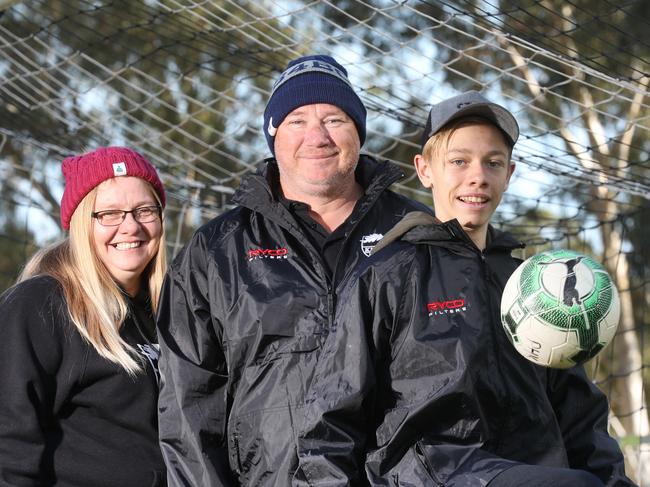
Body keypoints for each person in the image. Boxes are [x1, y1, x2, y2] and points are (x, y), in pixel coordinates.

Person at [310, 91, 636, 485]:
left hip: (537, 472)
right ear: (425, 169)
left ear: (510, 174)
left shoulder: (534, 286)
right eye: (459, 161)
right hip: (434, 474)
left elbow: (580, 416)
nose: (477, 176)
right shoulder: (386, 276)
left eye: (493, 163)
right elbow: (333, 420)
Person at [156, 54, 430, 486]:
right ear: (274, 135)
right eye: (297, 120)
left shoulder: (417, 237)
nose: (317, 136)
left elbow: (444, 389)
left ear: (358, 133)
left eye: (335, 119)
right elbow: (188, 406)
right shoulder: (215, 251)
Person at [0, 146, 168, 486]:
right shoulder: (41, 305)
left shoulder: (169, 315)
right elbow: (8, 440)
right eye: (109, 213)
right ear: (80, 224)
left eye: (144, 210)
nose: (131, 226)